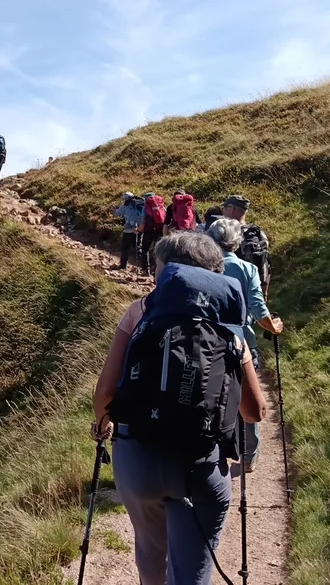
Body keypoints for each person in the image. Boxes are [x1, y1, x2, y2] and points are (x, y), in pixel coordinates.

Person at [92, 232, 268, 585]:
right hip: (200, 464)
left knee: (150, 553)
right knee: (191, 573)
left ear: (166, 273)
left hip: (138, 459)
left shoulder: (139, 314)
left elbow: (105, 394)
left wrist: (102, 427)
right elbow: (254, 413)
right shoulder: (228, 327)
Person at [205, 218, 285, 470]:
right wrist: (273, 327)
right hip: (242, 343)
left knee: (211, 396)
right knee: (246, 396)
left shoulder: (204, 268)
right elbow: (258, 309)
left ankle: (213, 451)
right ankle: (248, 455)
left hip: (208, 343)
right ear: (236, 242)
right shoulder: (248, 269)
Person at [219, 195, 271, 290]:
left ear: (232, 209)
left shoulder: (225, 232)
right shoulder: (258, 233)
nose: (223, 211)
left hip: (233, 286)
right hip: (256, 286)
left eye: (225, 208)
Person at [113, 192, 145, 270]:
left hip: (128, 230)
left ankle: (123, 266)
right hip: (139, 229)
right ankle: (145, 266)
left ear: (126, 199)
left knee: (125, 248)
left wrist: (114, 210)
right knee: (138, 247)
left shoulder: (125, 205)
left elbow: (117, 214)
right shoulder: (140, 204)